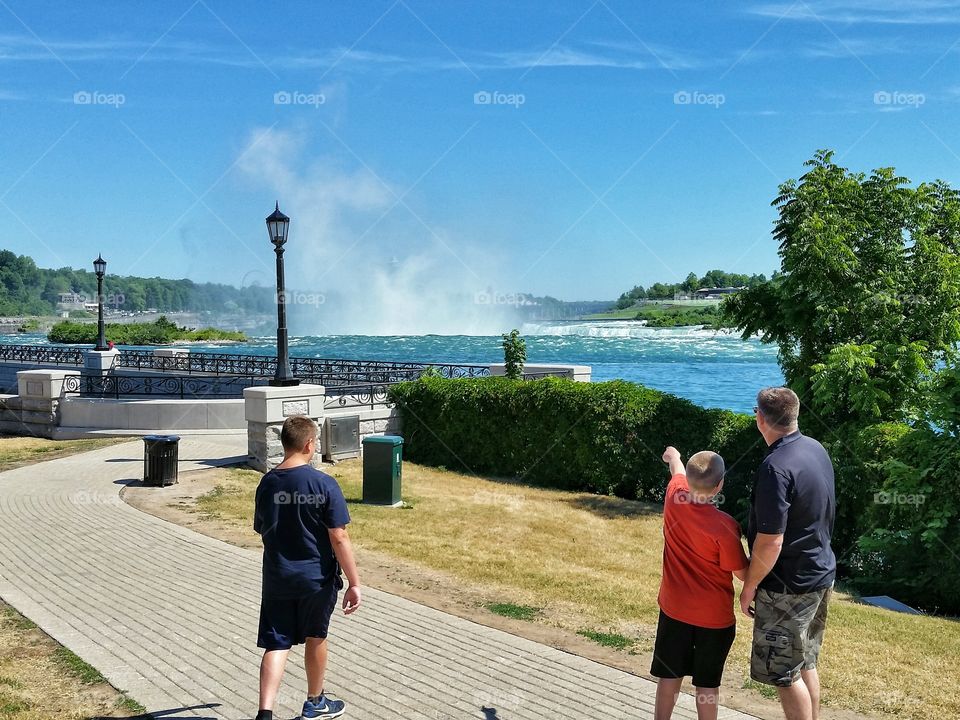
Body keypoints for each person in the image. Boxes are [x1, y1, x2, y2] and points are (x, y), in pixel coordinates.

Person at [253, 415, 362, 720]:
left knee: (277, 642)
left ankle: (265, 713)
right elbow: (338, 536)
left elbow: (262, 528)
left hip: (277, 577)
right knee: (316, 636)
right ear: (309, 444)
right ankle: (315, 702)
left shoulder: (267, 483)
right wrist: (354, 582)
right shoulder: (323, 483)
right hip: (316, 578)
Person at [740, 387, 836, 720]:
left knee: (783, 672)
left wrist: (750, 585)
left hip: (787, 586)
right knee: (804, 661)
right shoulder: (815, 449)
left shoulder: (774, 467)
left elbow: (771, 540)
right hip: (819, 574)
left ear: (760, 418)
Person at [652, 446, 749, 720]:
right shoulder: (725, 527)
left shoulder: (674, 496)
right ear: (719, 485)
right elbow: (742, 573)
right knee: (707, 683)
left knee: (669, 675)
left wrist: (674, 456)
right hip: (713, 619)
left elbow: (677, 472)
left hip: (674, 610)